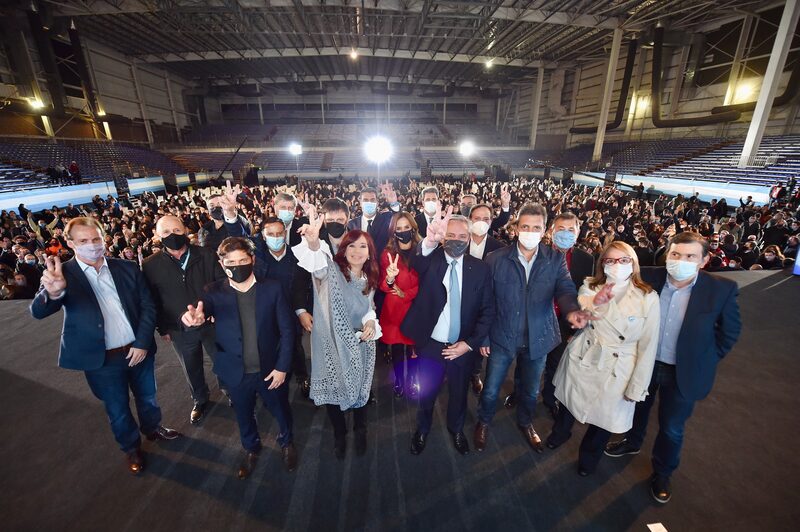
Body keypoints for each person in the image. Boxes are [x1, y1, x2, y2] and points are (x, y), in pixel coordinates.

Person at [30, 217, 181, 475]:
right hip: (102, 360)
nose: (92, 245)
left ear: (104, 238)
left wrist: (143, 342)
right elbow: (38, 311)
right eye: (84, 241)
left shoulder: (126, 267)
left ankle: (153, 428)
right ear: (70, 242)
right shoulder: (62, 274)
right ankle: (131, 448)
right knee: (118, 409)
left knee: (148, 397)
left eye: (96, 239)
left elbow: (147, 306)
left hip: (138, 351)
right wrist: (53, 292)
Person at [604, 231, 741, 504]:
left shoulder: (721, 289)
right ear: (667, 255)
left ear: (703, 260)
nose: (681, 260)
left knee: (672, 427)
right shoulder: (649, 278)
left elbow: (729, 332)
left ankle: (663, 472)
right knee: (637, 407)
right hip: (645, 363)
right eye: (676, 254)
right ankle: (632, 442)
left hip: (683, 371)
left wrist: (705, 358)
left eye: (690, 256)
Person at [474, 204, 588, 454]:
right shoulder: (496, 259)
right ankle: (484, 421)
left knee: (530, 390)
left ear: (544, 230)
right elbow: (485, 301)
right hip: (502, 337)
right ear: (516, 228)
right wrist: (483, 335)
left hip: (538, 338)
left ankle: (526, 423)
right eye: (524, 226)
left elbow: (566, 290)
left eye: (535, 227)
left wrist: (571, 311)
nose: (529, 231)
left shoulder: (555, 260)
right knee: (491, 388)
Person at [181, 237, 297, 478]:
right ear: (223, 265)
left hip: (270, 370)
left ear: (252, 260)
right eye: (231, 262)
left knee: (281, 410)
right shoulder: (213, 292)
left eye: (243, 260)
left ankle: (287, 442)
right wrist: (193, 320)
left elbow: (287, 330)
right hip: (235, 372)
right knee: (243, 415)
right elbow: (198, 313)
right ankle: (251, 448)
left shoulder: (272, 288)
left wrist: (283, 367)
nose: (238, 266)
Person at [547, 242, 659, 476]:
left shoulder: (648, 297)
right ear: (602, 264)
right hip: (585, 356)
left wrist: (638, 385)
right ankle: (559, 434)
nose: (617, 265)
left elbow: (648, 345)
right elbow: (586, 310)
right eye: (610, 260)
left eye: (623, 260)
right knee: (569, 404)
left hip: (620, 365)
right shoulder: (590, 285)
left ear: (633, 263)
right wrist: (598, 301)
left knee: (603, 421)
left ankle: (588, 459)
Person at [401, 209, 495, 456]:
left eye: (462, 236)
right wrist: (429, 240)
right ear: (443, 237)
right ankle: (422, 429)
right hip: (431, 344)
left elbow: (487, 312)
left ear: (469, 237)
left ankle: (456, 429)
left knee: (459, 393)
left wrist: (469, 344)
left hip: (461, 346)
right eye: (450, 234)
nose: (456, 239)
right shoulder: (431, 260)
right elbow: (416, 260)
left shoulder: (481, 269)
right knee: (427, 392)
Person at [293, 209, 382, 460]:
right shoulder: (332, 270)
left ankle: (360, 427)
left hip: (360, 342)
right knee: (335, 386)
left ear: (369, 251)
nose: (356, 250)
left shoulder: (369, 277)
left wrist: (371, 323)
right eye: (351, 245)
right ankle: (339, 433)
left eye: (362, 246)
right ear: (343, 249)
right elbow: (317, 264)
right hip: (330, 342)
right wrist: (313, 241)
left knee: (361, 384)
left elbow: (369, 308)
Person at [142, 214, 227, 424]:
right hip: (178, 328)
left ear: (185, 230)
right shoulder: (150, 265)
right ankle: (200, 399)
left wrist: (214, 310)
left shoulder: (206, 255)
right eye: (166, 232)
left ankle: (228, 389)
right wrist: (163, 328)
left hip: (212, 322)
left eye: (177, 230)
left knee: (222, 359)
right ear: (157, 236)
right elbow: (152, 300)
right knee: (190, 365)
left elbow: (221, 285)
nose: (173, 235)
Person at [379, 212, 421, 398]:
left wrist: (407, 294)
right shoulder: (387, 253)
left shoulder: (423, 250)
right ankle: (399, 380)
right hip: (395, 310)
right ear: (393, 232)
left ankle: (412, 379)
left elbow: (428, 283)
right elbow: (383, 286)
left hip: (415, 308)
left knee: (414, 350)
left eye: (406, 227)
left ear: (413, 228)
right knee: (397, 349)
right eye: (399, 229)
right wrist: (389, 278)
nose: (403, 232)